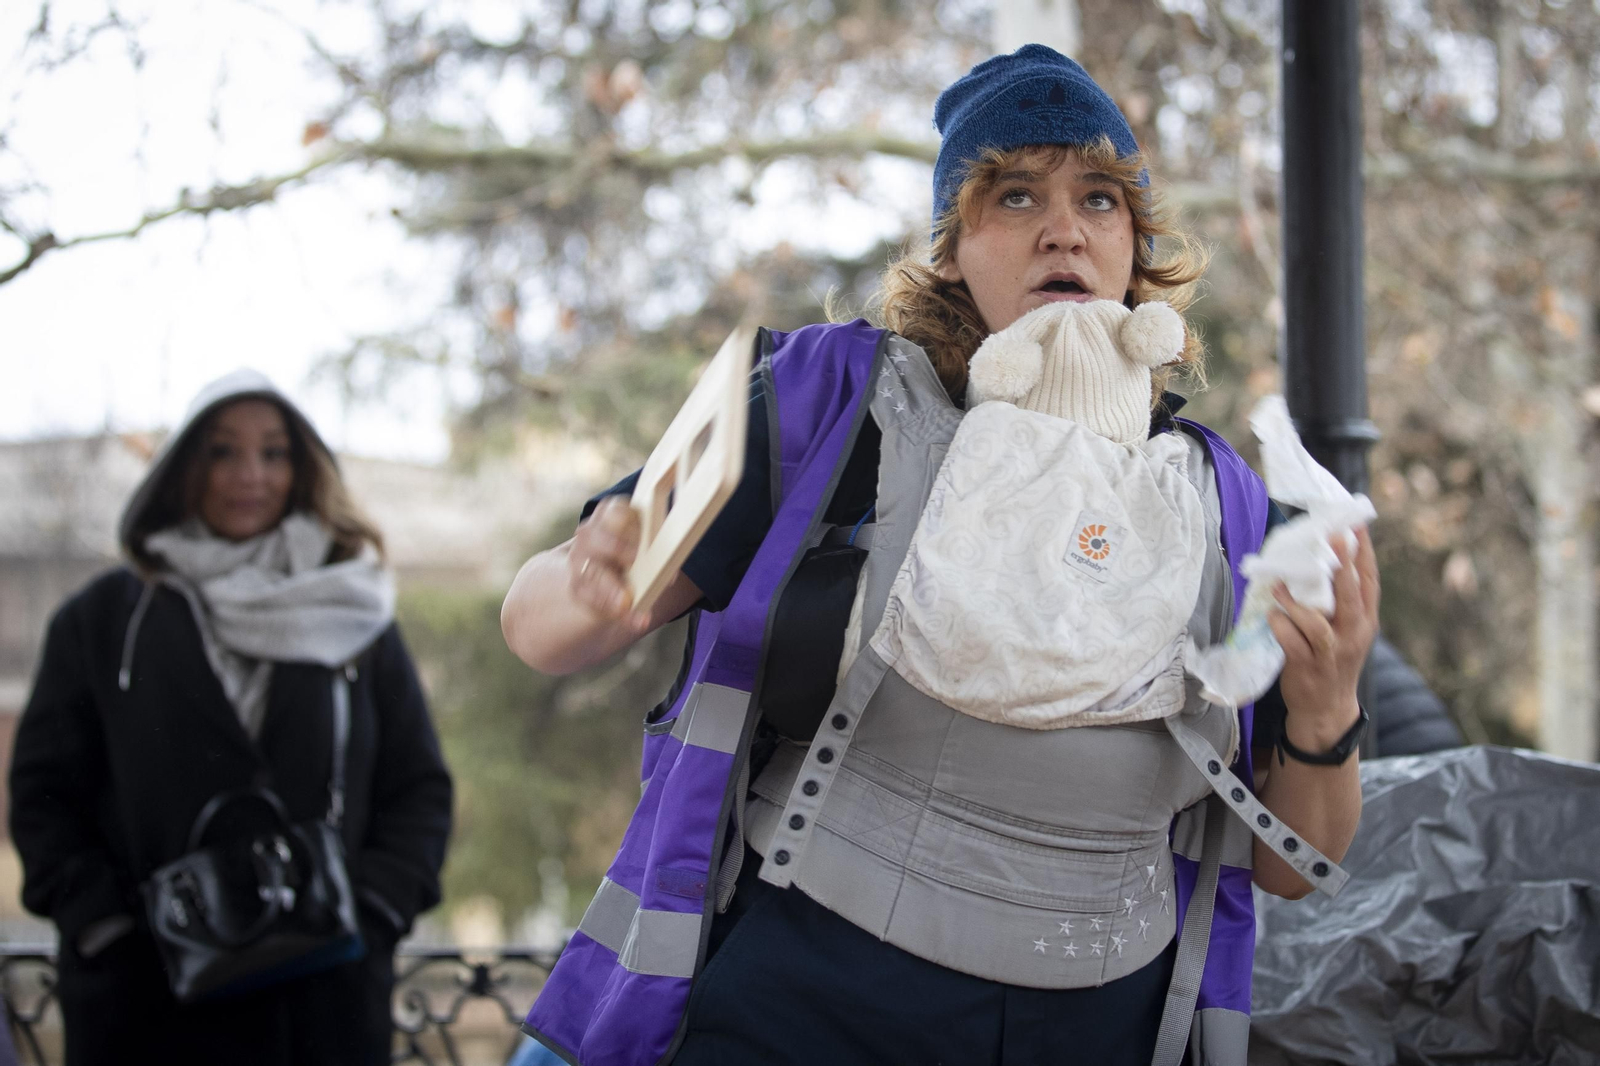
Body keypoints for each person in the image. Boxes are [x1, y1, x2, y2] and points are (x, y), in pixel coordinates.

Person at [501, 45, 1375, 1066]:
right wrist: (592, 589)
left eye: (1099, 199)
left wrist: (1324, 708)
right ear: (951, 249)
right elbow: (538, 624)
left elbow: (1291, 868)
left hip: (1102, 1030)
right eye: (1012, 195)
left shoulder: (1225, 508)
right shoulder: (829, 411)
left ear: (1133, 248)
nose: (1062, 227)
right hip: (804, 1008)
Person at [9, 369, 454, 1066]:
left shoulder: (354, 615)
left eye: (274, 453)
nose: (251, 474)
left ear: (302, 469)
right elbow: (43, 798)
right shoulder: (100, 622)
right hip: (148, 1010)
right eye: (222, 451)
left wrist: (374, 916)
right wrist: (105, 929)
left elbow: (419, 789)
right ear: (184, 468)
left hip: (322, 1010)